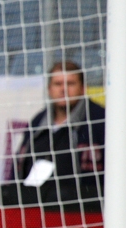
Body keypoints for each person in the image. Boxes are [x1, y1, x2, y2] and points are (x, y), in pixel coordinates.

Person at [17, 61, 105, 191]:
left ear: (83, 88)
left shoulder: (101, 120)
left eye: (70, 83)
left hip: (89, 208)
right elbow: (18, 169)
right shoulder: (37, 123)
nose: (63, 89)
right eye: (58, 84)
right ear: (49, 89)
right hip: (37, 207)